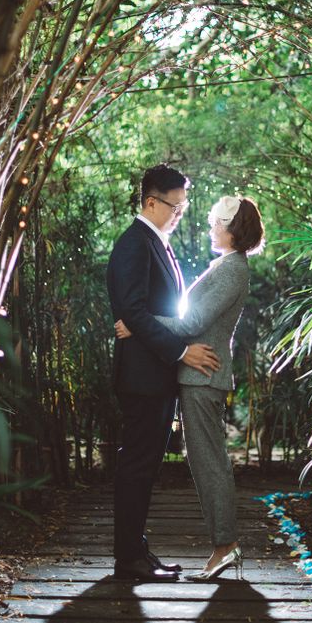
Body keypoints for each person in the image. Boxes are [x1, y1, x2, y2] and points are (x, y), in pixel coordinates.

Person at [115, 194, 265, 582]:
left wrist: (139, 322)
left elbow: (192, 320)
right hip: (198, 377)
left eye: (217, 222)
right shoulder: (226, 265)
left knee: (208, 462)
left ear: (232, 230)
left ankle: (225, 545)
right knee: (204, 462)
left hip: (204, 377)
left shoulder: (233, 269)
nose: (210, 227)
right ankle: (223, 544)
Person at [106, 164, 221, 583]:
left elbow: (150, 311)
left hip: (153, 372)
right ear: (151, 202)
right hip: (142, 375)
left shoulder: (157, 243)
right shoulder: (135, 243)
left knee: (145, 464)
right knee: (136, 464)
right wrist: (181, 351)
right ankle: (128, 559)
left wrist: (147, 324)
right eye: (175, 206)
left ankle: (138, 551)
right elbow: (132, 309)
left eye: (183, 206)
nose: (180, 213)